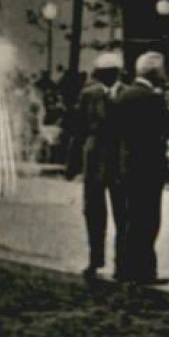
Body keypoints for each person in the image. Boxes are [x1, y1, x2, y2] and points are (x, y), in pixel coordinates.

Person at [111, 52, 169, 286]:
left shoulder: (122, 96)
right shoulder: (152, 98)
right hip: (148, 167)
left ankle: (123, 268)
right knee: (147, 220)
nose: (165, 75)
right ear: (154, 73)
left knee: (127, 220)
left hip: (125, 166)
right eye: (162, 70)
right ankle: (144, 272)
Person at [66, 51, 125, 280]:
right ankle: (95, 259)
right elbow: (78, 131)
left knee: (122, 213)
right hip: (95, 160)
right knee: (94, 212)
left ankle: (120, 262)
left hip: (118, 161)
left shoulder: (125, 95)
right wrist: (72, 163)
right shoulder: (89, 95)